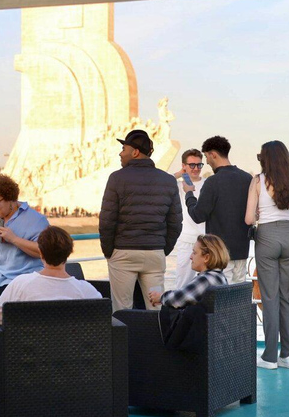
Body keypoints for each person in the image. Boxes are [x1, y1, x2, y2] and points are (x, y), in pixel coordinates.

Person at [245, 141, 289, 370]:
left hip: (267, 239)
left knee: (270, 298)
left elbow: (248, 220)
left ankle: (270, 357)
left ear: (265, 159)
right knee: (287, 298)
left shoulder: (257, 181)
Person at [99, 130, 182, 311]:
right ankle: (157, 340)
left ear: (135, 152)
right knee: (156, 308)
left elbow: (107, 221)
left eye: (123, 148)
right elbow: (175, 223)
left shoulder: (116, 178)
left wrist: (109, 252)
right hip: (154, 254)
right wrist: (162, 248)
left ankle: (126, 341)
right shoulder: (168, 180)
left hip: (123, 253)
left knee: (122, 310)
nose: (120, 153)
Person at [0, 226, 102, 325]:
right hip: (72, 348)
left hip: (28, 347)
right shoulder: (86, 291)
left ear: (41, 253)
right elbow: (102, 319)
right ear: (69, 253)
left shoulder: (21, 284)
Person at [0, 174, 49, 317]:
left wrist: (14, 239)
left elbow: (44, 251)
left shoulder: (36, 220)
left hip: (14, 279)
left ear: (11, 199)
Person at [184, 136, 252, 283]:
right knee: (238, 299)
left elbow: (198, 215)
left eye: (207, 157)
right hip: (242, 251)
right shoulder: (247, 179)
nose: (207, 162)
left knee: (219, 299)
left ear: (213, 154)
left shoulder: (213, 182)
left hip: (220, 254)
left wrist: (189, 193)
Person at [148, 234, 229, 352]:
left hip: (199, 345)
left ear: (206, 257)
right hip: (215, 340)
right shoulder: (220, 277)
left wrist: (160, 297)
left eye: (194, 253)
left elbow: (178, 299)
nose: (191, 257)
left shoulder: (205, 280)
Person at [172, 148, 208, 288]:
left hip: (207, 241)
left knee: (206, 286)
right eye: (192, 165)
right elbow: (161, 180)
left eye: (199, 165)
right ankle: (179, 310)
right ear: (184, 166)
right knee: (183, 283)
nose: (196, 168)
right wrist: (180, 174)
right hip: (186, 241)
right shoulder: (178, 185)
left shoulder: (208, 184)